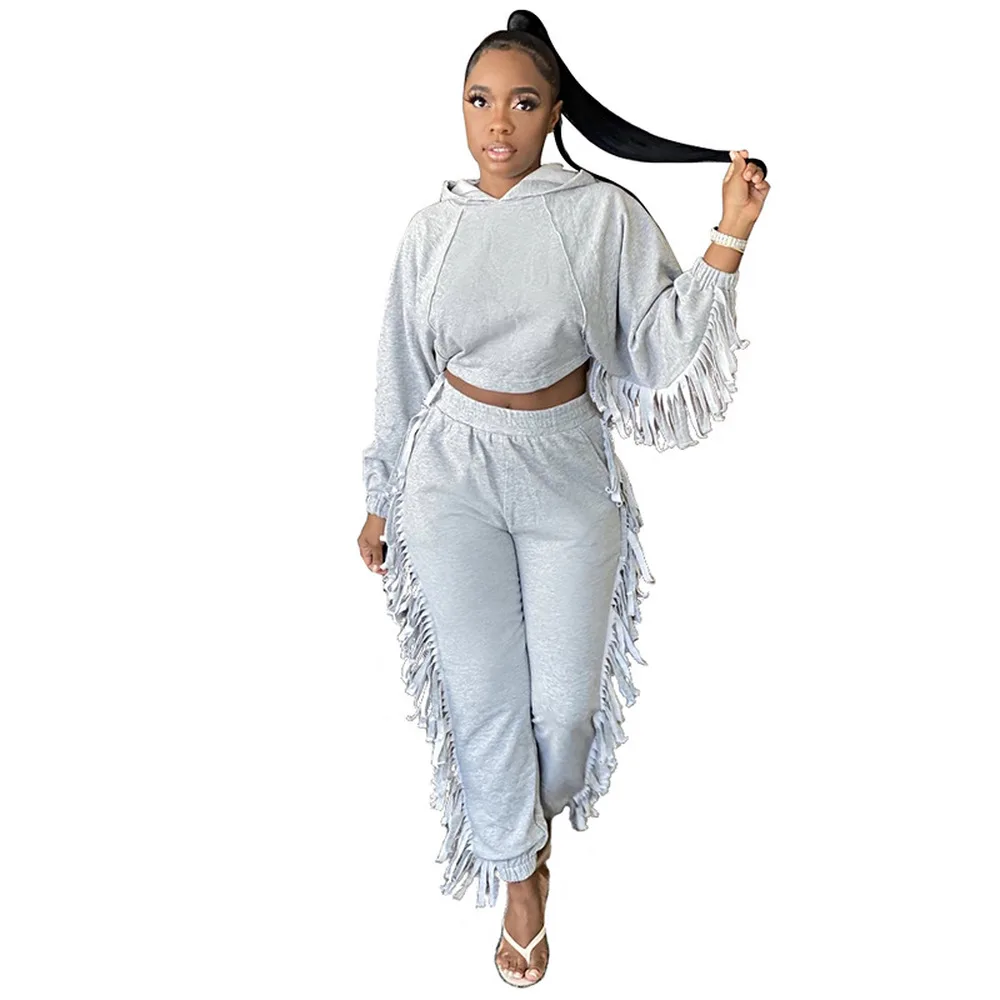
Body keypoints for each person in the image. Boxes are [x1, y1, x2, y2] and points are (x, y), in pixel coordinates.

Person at [357, 14, 769, 988]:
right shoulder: (430, 231)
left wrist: (730, 235)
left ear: (553, 116)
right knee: (482, 698)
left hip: (565, 470)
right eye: (478, 100)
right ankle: (519, 878)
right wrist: (380, 497)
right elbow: (401, 372)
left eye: (522, 102)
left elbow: (659, 347)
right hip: (450, 473)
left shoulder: (601, 216)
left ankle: (523, 829)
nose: (497, 122)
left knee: (565, 714)